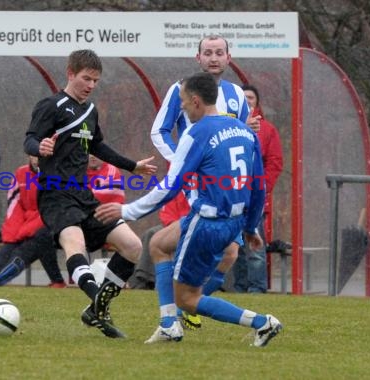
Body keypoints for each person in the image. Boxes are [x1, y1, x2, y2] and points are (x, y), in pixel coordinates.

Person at [95, 72, 282, 346]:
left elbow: (170, 187)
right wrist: (251, 227)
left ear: (195, 101)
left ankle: (261, 322)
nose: (180, 107)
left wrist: (127, 211)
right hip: (232, 221)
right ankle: (169, 325)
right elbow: (258, 187)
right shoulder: (245, 131)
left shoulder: (197, 133)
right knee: (158, 244)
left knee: (188, 299)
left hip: (206, 223)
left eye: (182, 101)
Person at [23, 49, 157, 338]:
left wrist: (132, 166)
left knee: (133, 247)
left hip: (83, 195)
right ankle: (97, 303)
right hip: (55, 194)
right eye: (86, 78)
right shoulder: (51, 105)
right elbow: (30, 139)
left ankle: (96, 308)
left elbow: (98, 147)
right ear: (70, 73)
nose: (91, 85)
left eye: (96, 80)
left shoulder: (90, 110)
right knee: (76, 243)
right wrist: (39, 148)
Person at [149, 35, 256, 328]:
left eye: (219, 52)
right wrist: (183, 166)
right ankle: (172, 315)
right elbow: (159, 132)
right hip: (196, 188)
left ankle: (184, 307)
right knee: (165, 245)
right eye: (207, 53)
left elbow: (242, 139)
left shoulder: (236, 94)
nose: (213, 58)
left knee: (230, 253)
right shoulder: (180, 89)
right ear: (197, 58)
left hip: (226, 191)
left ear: (228, 57)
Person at [0, 156, 66, 288]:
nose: (37, 159)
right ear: (29, 156)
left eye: (40, 156)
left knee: (37, 239)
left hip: (53, 225)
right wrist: (13, 231)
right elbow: (15, 203)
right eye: (34, 155)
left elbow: (53, 208)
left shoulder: (57, 174)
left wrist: (27, 229)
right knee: (11, 243)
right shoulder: (21, 173)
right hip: (28, 223)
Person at [231, 84, 284, 293]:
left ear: (257, 102)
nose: (247, 101)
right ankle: (240, 288)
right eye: (243, 98)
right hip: (233, 195)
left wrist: (263, 187)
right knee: (237, 245)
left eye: (251, 98)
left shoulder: (268, 130)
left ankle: (257, 289)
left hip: (255, 197)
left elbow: (275, 161)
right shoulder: (230, 128)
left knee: (255, 245)